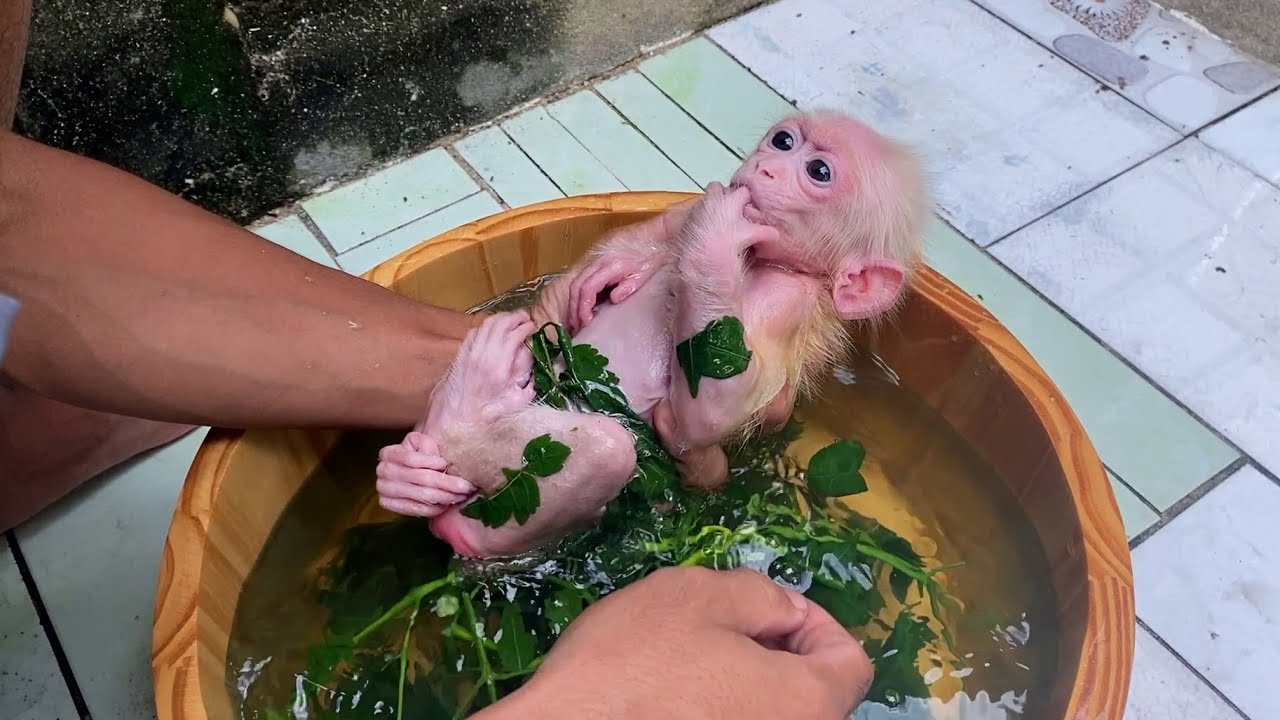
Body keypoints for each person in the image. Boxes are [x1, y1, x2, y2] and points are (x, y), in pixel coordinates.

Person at [0, 4, 873, 717]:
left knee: (643, 461)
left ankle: (473, 404)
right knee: (617, 461)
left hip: (591, 413)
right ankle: (482, 463)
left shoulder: (788, 292)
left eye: (815, 169)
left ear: (863, 279)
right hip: (600, 434)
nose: (770, 158)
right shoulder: (735, 240)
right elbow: (696, 406)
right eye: (783, 140)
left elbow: (707, 415)